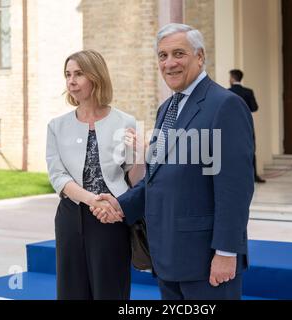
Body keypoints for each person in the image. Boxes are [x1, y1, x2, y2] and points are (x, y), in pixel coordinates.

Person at [92, 24, 255, 300]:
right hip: (168, 259)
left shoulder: (225, 105)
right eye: (162, 56)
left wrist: (227, 252)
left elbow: (235, 189)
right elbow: (156, 178)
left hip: (206, 262)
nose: (169, 63)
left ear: (200, 57)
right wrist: (121, 204)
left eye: (179, 54)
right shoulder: (167, 108)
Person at [45, 49, 145, 300]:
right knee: (71, 291)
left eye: (79, 74)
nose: (71, 81)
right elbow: (58, 176)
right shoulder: (56, 126)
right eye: (68, 75)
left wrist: (140, 155)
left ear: (96, 76)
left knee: (111, 290)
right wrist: (92, 200)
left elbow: (133, 180)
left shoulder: (125, 121)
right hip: (71, 216)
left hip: (111, 218)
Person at [229, 69, 266, 183]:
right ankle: (253, 175)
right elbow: (254, 108)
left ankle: (233, 175)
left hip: (231, 127)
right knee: (250, 150)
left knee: (230, 150)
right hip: (246, 125)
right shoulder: (248, 92)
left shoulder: (227, 92)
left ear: (233, 78)